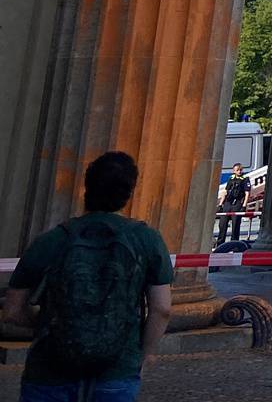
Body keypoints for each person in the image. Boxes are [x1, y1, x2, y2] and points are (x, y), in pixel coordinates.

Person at [2, 151, 174, 402]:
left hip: (50, 369)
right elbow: (162, 309)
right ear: (128, 193)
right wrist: (143, 355)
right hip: (117, 369)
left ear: (86, 187)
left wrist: (59, 322)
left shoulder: (52, 240)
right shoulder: (147, 240)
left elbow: (12, 311)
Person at [217, 163, 248, 245]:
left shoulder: (245, 179)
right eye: (237, 170)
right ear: (234, 171)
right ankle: (220, 244)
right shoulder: (231, 178)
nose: (239, 171)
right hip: (228, 202)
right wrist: (220, 204)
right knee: (222, 224)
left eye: (240, 170)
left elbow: (247, 193)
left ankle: (234, 245)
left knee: (235, 225)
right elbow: (226, 191)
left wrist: (244, 206)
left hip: (237, 203)